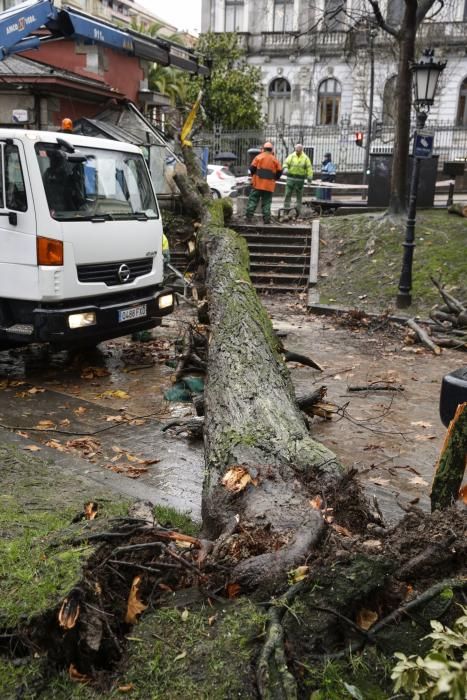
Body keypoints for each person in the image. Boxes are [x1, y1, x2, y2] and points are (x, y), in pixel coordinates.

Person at [245, 142, 282, 224]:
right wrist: (274, 178)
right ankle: (266, 220)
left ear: (263, 149)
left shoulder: (258, 157)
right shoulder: (274, 159)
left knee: (253, 201)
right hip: (269, 186)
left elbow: (251, 169)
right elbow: (279, 172)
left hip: (257, 185)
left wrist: (253, 176)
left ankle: (248, 217)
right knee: (267, 202)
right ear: (271, 150)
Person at [282, 144, 313, 215]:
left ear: (301, 150)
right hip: (290, 179)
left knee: (299, 196)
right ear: (295, 149)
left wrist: (309, 179)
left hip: (300, 180)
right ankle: (286, 210)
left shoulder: (305, 158)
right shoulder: (291, 156)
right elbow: (285, 163)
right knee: (287, 194)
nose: (297, 151)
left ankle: (298, 212)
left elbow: (309, 169)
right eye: (296, 150)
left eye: (298, 150)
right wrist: (285, 168)